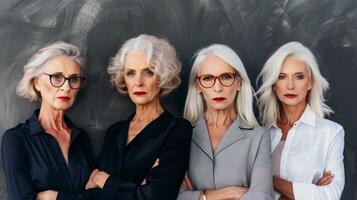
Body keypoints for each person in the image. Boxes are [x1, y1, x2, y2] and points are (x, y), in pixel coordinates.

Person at [86, 34, 192, 200]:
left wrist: (104, 180)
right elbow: (94, 196)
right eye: (130, 73)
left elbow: (156, 197)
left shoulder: (177, 129)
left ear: (162, 76)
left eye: (148, 72)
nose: (138, 82)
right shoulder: (114, 132)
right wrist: (137, 189)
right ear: (123, 78)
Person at [178, 44, 273, 200]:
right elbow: (171, 195)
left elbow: (261, 196)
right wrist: (221, 195)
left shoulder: (259, 137)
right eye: (208, 78)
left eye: (226, 77)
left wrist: (194, 196)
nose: (218, 87)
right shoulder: (181, 134)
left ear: (239, 82)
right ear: (198, 86)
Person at [1, 41, 94, 199]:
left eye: (73, 79)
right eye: (56, 77)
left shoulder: (81, 138)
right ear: (36, 82)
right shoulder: (16, 139)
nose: (66, 87)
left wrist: (52, 197)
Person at [256, 41, 345, 200]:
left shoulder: (331, 133)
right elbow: (245, 188)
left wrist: (270, 180)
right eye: (282, 77)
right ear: (274, 84)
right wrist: (307, 192)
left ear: (310, 82)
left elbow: (331, 195)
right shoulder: (259, 134)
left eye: (299, 77)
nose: (290, 85)